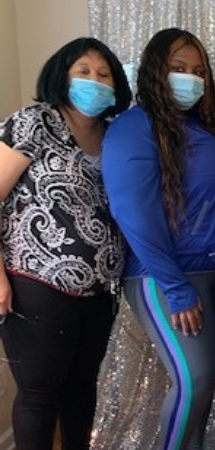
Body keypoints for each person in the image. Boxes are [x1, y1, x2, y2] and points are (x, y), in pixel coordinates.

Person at [101, 28, 215, 450]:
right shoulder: (134, 128)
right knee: (195, 378)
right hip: (167, 276)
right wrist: (176, 288)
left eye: (198, 71)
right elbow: (135, 214)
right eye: (178, 69)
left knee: (203, 392)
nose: (190, 78)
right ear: (155, 72)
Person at [0, 37, 131, 449]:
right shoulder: (35, 122)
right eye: (84, 71)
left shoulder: (116, 137)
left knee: (81, 393)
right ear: (62, 75)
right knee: (41, 396)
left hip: (99, 292)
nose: (95, 80)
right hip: (37, 284)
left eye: (104, 73)